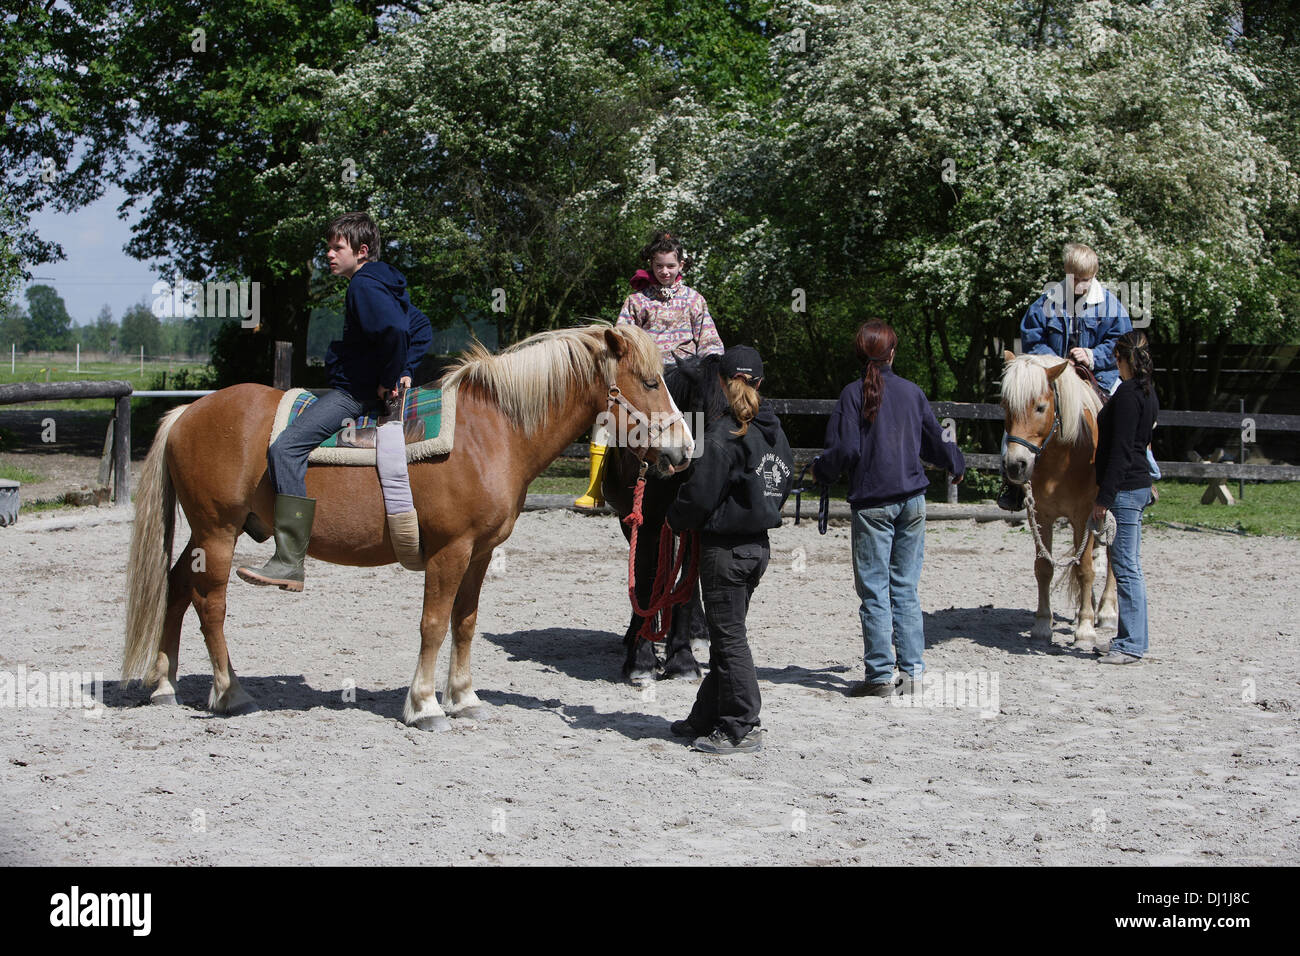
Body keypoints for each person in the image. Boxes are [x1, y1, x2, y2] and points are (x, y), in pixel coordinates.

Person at [237, 211, 432, 591]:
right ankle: (261, 517)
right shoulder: (384, 282)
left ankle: (289, 561)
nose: (328, 254)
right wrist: (405, 369)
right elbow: (419, 326)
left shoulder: (363, 285)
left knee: (284, 449)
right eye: (328, 247)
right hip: (364, 391)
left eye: (336, 247)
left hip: (352, 397)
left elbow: (395, 329)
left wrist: (389, 379)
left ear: (360, 251)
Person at [815, 321, 965, 697]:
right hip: (912, 501)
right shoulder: (913, 393)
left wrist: (822, 469)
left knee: (874, 592)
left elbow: (846, 450)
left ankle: (880, 675)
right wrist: (955, 462)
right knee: (905, 588)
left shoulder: (852, 395)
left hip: (872, 505)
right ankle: (912, 672)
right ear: (892, 353)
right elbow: (937, 438)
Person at [665, 346, 792, 754]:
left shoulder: (720, 435)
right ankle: (705, 715)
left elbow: (700, 497)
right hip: (757, 548)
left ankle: (742, 724)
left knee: (730, 640)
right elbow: (781, 483)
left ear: (719, 381)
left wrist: (674, 519)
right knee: (726, 635)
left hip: (725, 552)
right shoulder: (774, 432)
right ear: (761, 382)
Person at [574, 230, 723, 508]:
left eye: (670, 265)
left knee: (712, 413)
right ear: (650, 266)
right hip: (648, 376)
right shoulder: (637, 301)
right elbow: (621, 337)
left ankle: (716, 474)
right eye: (659, 266)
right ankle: (596, 485)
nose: (665, 271)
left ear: (681, 266)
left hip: (686, 374)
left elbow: (709, 339)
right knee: (609, 415)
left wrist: (710, 367)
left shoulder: (694, 300)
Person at [998, 241, 1134, 511]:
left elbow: (1122, 342)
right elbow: (1033, 339)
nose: (1081, 286)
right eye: (1076, 279)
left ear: (1094, 275)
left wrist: (1092, 355)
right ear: (1066, 273)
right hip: (1054, 378)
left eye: (1087, 280)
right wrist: (1058, 363)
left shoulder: (1109, 304)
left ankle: (1139, 475)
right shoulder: (1046, 303)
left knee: (1128, 412)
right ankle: (1011, 482)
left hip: (1099, 377)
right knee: (1017, 421)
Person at [1092, 331, 1158, 664]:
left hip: (1126, 490)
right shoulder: (1145, 392)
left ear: (1121, 358)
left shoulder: (1130, 396)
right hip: (1135, 484)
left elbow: (1120, 452)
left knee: (1127, 568)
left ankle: (1131, 644)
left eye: (1115, 359)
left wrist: (1104, 497)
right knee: (1128, 565)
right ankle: (1127, 638)